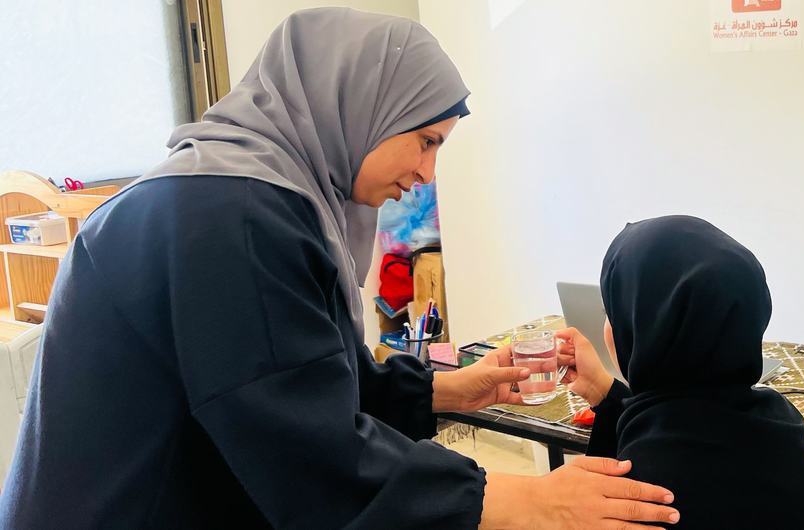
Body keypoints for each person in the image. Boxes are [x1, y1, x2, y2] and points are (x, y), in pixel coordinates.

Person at [0, 9, 679, 529]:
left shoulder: (247, 195)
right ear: (361, 104)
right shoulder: (234, 217)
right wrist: (531, 501)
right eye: (425, 141)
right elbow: (309, 456)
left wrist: (447, 391)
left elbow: (304, 376)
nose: (426, 174)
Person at [558, 216, 804, 529]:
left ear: (646, 328)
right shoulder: (780, 420)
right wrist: (604, 393)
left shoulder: (648, 482)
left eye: (611, 313)